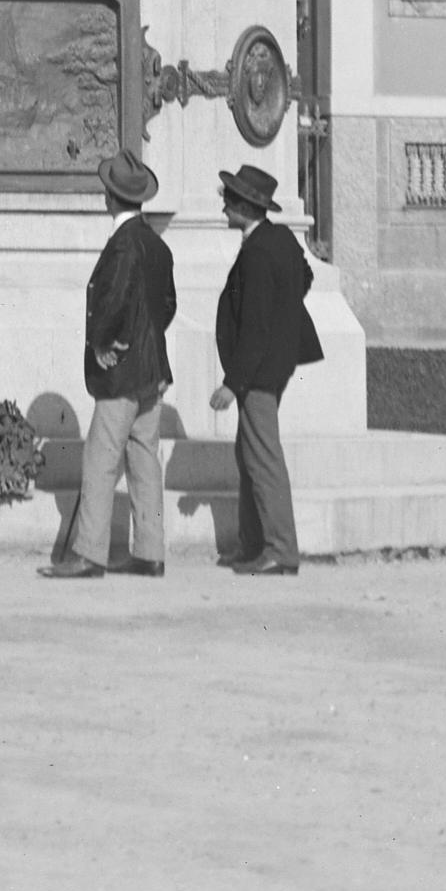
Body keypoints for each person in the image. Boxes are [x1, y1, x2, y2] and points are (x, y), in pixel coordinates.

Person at [51, 150, 179, 581]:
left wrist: (107, 342)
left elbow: (113, 300)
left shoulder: (122, 245)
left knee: (102, 458)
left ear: (110, 197)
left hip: (123, 370)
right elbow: (167, 306)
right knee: (144, 458)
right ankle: (150, 551)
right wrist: (144, 338)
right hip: (153, 368)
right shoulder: (157, 244)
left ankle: (89, 552)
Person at [209, 163, 322, 576]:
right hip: (275, 361)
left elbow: (255, 328)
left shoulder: (258, 252)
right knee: (250, 452)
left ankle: (280, 549)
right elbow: (304, 276)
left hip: (258, 369)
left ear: (245, 207)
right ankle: (254, 544)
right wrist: (284, 311)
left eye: (229, 200)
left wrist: (231, 384)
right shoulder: (281, 240)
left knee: (263, 457)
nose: (223, 206)